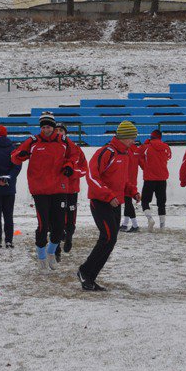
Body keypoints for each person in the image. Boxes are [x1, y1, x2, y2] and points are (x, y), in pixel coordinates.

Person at [77, 121, 140, 291]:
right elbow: (92, 176)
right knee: (108, 238)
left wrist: (132, 191)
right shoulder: (107, 152)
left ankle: (89, 277)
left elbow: (123, 180)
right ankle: (85, 271)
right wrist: (108, 195)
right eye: (132, 138)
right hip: (101, 202)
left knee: (110, 241)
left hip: (115, 202)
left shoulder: (124, 154)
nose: (134, 141)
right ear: (125, 137)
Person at [11, 112, 75, 271]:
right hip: (40, 189)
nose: (46, 130)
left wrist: (69, 166)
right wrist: (21, 155)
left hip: (59, 188)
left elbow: (74, 156)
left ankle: (51, 252)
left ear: (54, 128)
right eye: (43, 127)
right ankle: (41, 256)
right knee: (43, 225)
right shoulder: (33, 141)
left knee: (60, 226)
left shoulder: (64, 141)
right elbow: (14, 157)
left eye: (48, 127)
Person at [55, 123, 87, 261]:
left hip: (72, 189)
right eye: (56, 130)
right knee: (56, 217)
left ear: (66, 133)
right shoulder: (52, 149)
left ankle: (69, 236)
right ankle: (56, 246)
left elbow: (84, 169)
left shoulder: (76, 149)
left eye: (61, 130)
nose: (59, 132)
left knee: (71, 215)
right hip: (56, 189)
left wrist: (72, 173)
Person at [139, 130, 172, 232]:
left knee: (145, 201)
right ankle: (162, 226)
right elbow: (169, 156)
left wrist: (145, 167)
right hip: (162, 178)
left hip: (149, 178)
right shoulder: (166, 147)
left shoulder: (146, 147)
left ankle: (150, 219)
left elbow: (139, 157)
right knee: (161, 203)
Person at [120, 139, 142, 232]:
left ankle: (135, 225)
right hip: (133, 179)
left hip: (126, 180)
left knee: (128, 203)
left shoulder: (125, 151)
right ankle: (125, 224)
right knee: (127, 202)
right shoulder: (136, 151)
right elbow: (142, 164)